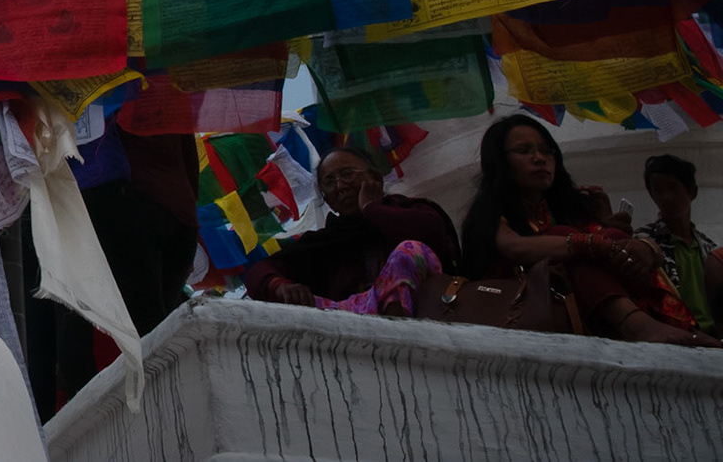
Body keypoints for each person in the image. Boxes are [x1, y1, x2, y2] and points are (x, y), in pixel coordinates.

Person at [458, 115, 719, 346]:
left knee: (614, 239)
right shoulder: (488, 210)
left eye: (546, 151)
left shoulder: (566, 207)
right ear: (500, 162)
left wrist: (642, 246)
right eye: (524, 151)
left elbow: (615, 246)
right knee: (567, 239)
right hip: (516, 301)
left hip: (577, 305)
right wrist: (592, 243)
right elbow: (515, 247)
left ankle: (679, 327)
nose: (539, 158)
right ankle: (636, 324)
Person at [244, 147, 458, 316]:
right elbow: (259, 271)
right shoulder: (323, 242)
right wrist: (279, 286)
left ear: (376, 179)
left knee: (410, 250)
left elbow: (433, 234)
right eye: (329, 183)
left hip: (425, 319)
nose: (340, 186)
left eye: (347, 174)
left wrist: (372, 210)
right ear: (326, 198)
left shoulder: (411, 212)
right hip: (352, 322)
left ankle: (396, 324)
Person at [636, 153, 723, 338]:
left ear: (691, 192)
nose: (666, 197)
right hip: (676, 336)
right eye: (658, 190)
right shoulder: (644, 242)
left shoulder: (709, 249)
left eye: (673, 188)